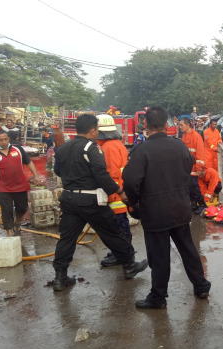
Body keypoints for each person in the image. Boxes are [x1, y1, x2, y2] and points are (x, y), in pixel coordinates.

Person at [123, 106, 211, 309]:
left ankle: (158, 297)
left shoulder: (141, 150)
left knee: (159, 255)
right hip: (180, 208)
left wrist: (134, 203)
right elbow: (188, 167)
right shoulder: (179, 146)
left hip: (155, 212)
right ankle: (201, 285)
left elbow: (130, 182)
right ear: (166, 125)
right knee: (188, 249)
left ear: (145, 124)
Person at [52, 114, 148, 291]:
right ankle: (129, 265)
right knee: (112, 232)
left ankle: (60, 276)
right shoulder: (92, 148)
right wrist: (120, 192)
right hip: (90, 199)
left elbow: (57, 170)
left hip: (68, 198)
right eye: (96, 129)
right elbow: (102, 175)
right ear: (92, 130)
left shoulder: (64, 148)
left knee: (66, 238)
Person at [0, 130, 38, 236]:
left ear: (8, 138)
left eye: (5, 139)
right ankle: (9, 233)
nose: (3, 142)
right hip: (3, 187)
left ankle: (17, 221)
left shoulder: (18, 149)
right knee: (6, 210)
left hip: (20, 185)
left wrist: (36, 175)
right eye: (0, 140)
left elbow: (29, 162)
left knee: (22, 208)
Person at [94, 115, 132, 267]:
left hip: (115, 195)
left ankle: (122, 255)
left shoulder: (108, 148)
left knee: (118, 227)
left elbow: (112, 174)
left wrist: (110, 194)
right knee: (120, 225)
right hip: (119, 192)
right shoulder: (116, 144)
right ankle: (120, 252)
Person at [179, 118, 208, 215]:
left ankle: (203, 204)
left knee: (193, 186)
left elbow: (200, 152)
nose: (180, 127)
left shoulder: (196, 136)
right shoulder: (184, 136)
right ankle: (194, 205)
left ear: (188, 125)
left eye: (181, 125)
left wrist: (199, 167)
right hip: (187, 167)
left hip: (194, 166)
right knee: (189, 187)